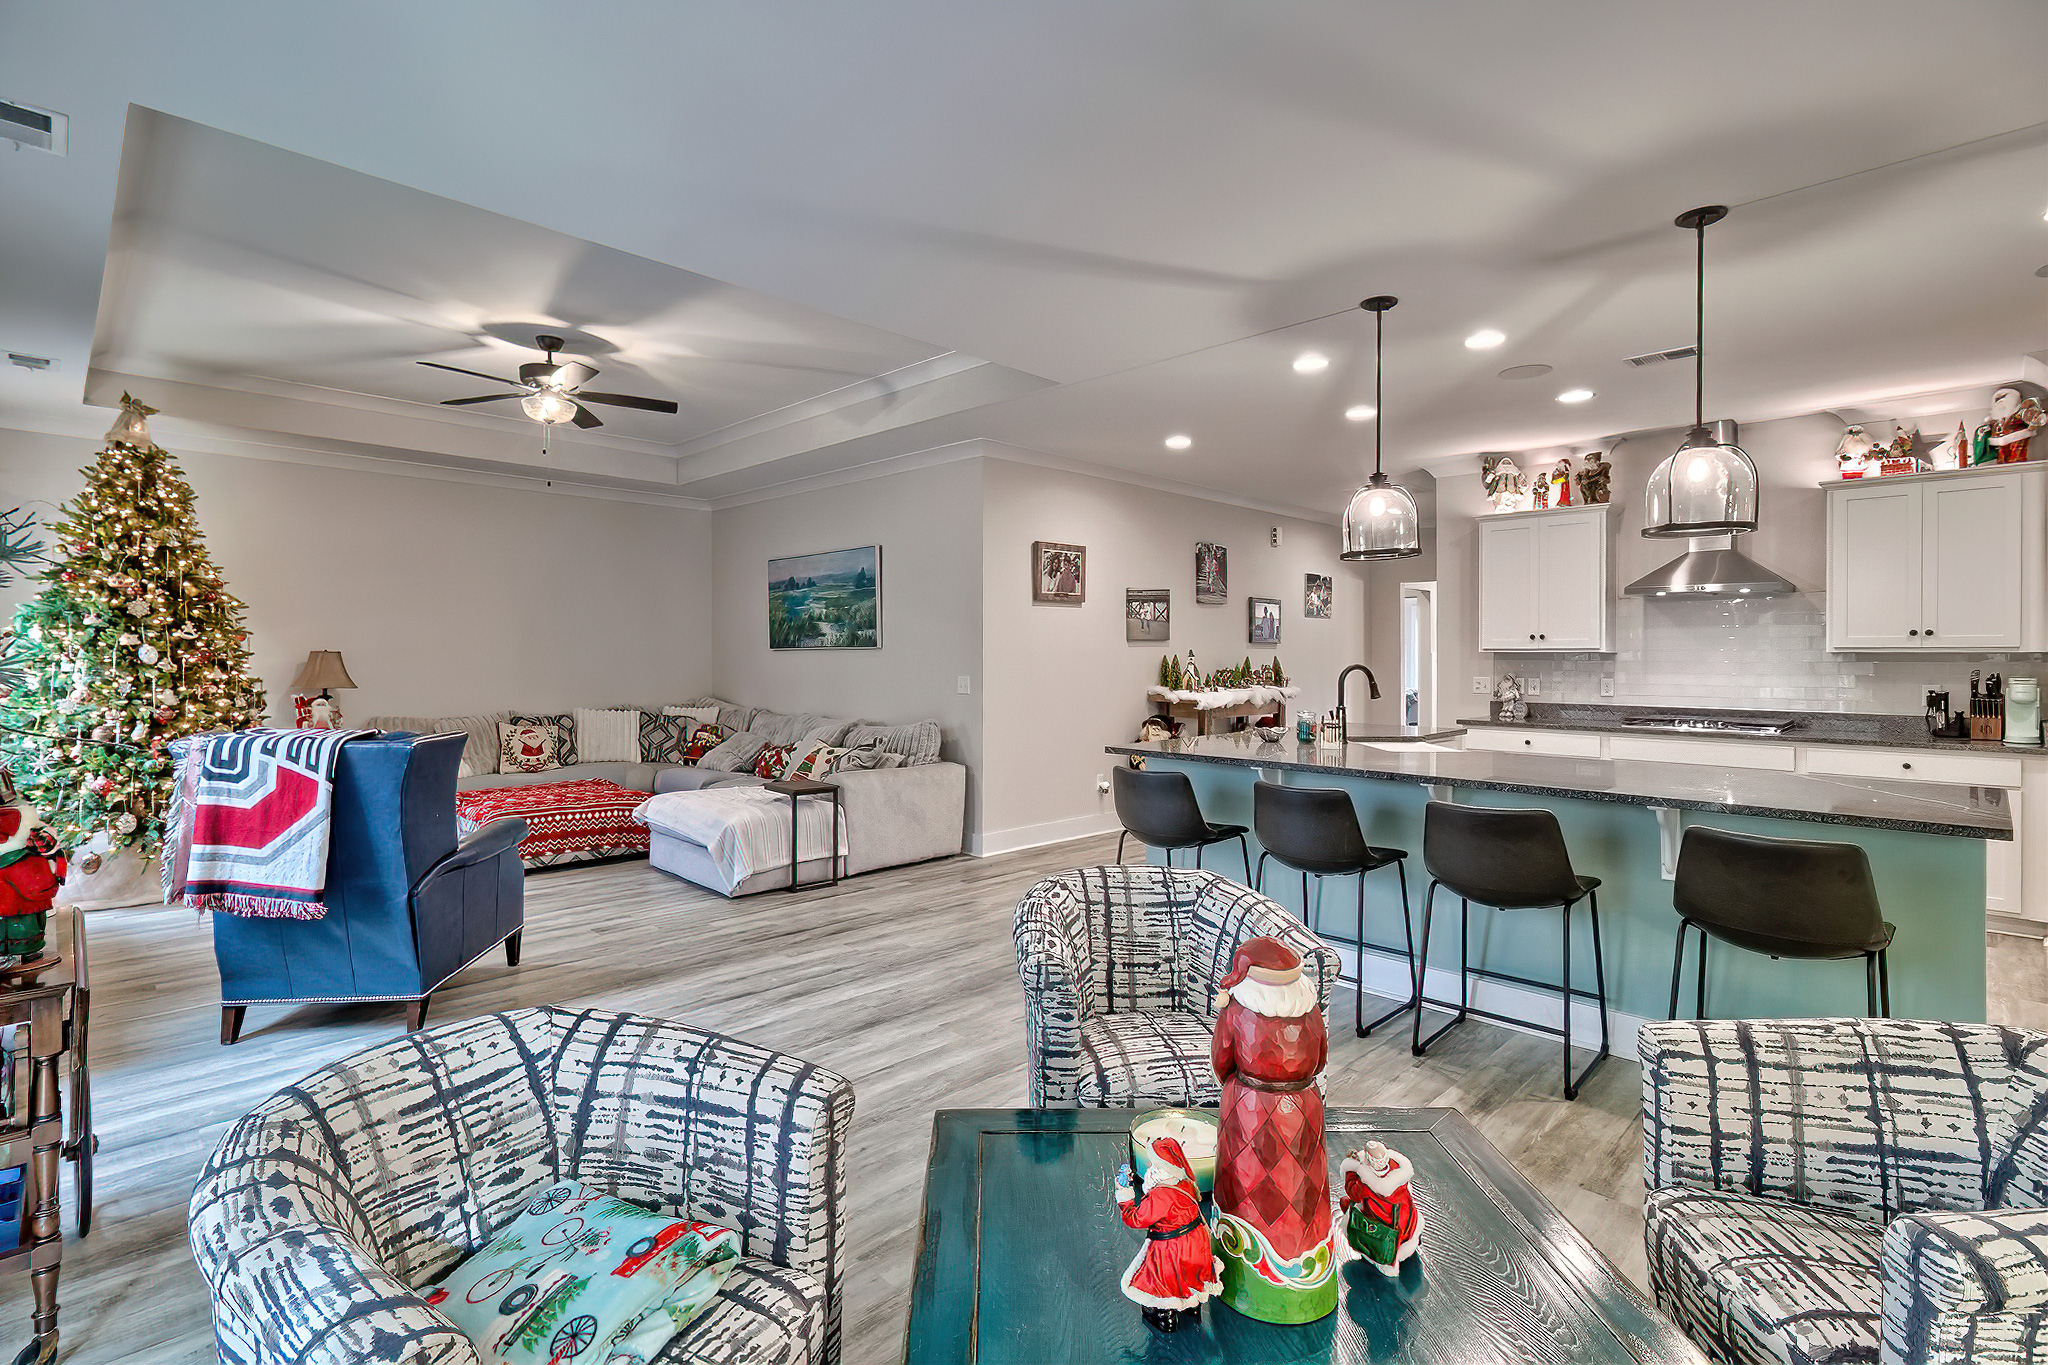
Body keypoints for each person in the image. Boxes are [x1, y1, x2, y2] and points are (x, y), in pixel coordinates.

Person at [1211, 936, 1338, 1322]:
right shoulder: (1310, 1009)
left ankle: (1238, 1279)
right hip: (1304, 1107)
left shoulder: (1238, 1009)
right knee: (1305, 1194)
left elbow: (1221, 1059)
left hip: (1248, 1107)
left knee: (1246, 1189)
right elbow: (1320, 1059)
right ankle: (1309, 1285)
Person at [1113, 1136, 1220, 1332]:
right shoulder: (1186, 1183)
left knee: (1163, 1280)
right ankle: (1193, 1307)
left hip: (1172, 1247)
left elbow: (1136, 1219)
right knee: (1190, 1274)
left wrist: (1124, 1194)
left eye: (1154, 1164)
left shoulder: (1160, 1195)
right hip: (1196, 1242)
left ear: (1162, 1168)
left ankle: (1165, 1316)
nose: (1150, 1168)